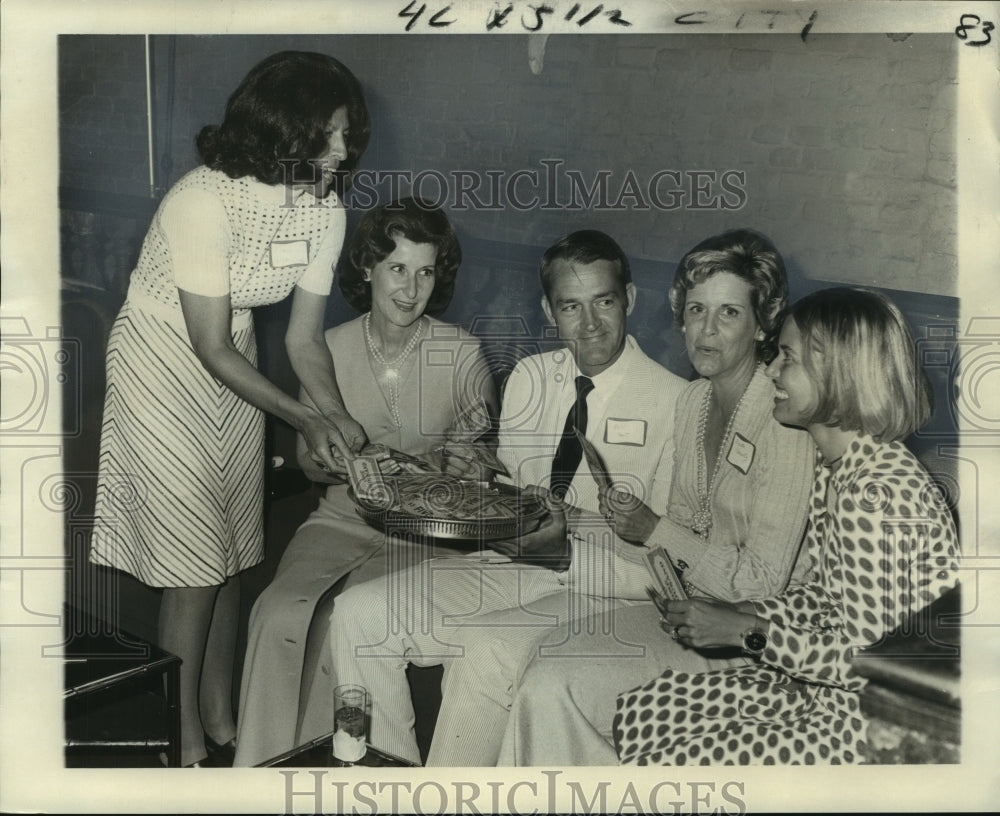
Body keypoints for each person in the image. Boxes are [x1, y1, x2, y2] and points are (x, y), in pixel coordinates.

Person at [90, 50, 371, 767]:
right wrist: (305, 422)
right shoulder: (201, 201)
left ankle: (218, 714)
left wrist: (334, 414)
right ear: (283, 128)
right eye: (329, 133)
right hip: (162, 358)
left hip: (234, 357)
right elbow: (208, 346)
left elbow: (306, 340)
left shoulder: (325, 210)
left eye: (347, 134)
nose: (343, 150)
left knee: (232, 549)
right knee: (192, 560)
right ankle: (177, 737)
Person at [328, 229, 688, 766]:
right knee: (356, 613)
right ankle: (385, 788)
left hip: (605, 589)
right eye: (571, 306)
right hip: (513, 563)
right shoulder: (530, 376)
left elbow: (664, 565)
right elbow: (511, 499)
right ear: (549, 310)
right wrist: (477, 477)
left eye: (604, 302)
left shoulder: (676, 403)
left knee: (482, 649)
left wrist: (563, 548)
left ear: (630, 300)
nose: (588, 325)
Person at [497, 228, 817, 766]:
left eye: (729, 313)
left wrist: (651, 529)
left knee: (552, 683)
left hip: (759, 641)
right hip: (687, 614)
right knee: (543, 670)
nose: (706, 331)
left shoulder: (781, 419)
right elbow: (674, 548)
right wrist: (576, 519)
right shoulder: (693, 402)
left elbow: (760, 582)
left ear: (763, 322)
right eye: (695, 311)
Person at [613, 287, 961, 765]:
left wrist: (749, 632)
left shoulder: (875, 495)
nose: (772, 370)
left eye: (787, 358)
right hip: (832, 693)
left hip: (885, 729)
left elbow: (880, 666)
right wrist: (742, 609)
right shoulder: (841, 467)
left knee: (669, 763)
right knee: (645, 711)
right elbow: (831, 599)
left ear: (837, 374)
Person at [232, 197, 497, 767]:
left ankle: (341, 776)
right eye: (397, 268)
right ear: (367, 269)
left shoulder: (463, 353)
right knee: (278, 609)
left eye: (425, 272)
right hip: (339, 518)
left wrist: (468, 466)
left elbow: (484, 467)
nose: (411, 288)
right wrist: (340, 461)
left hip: (427, 535)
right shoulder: (325, 348)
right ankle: (262, 771)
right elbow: (307, 460)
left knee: (341, 618)